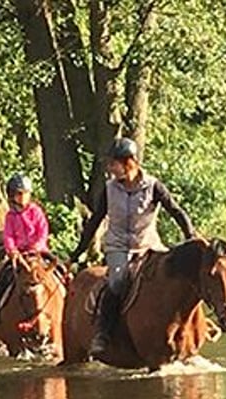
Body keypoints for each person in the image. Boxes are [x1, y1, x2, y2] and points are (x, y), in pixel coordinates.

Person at [69, 137, 197, 357]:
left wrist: (190, 235)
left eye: (113, 163)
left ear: (128, 162)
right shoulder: (109, 189)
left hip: (149, 245)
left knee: (176, 277)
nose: (110, 168)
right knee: (117, 282)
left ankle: (197, 326)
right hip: (119, 247)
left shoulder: (153, 186)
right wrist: (77, 252)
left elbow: (176, 211)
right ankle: (103, 333)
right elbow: (95, 220)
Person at [0, 173, 53, 318]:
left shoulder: (36, 212)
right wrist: (12, 250)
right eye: (19, 194)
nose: (22, 197)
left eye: (25, 193)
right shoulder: (10, 216)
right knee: (2, 277)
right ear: (12, 196)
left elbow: (43, 231)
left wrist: (37, 246)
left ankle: (67, 303)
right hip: (19, 255)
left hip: (39, 252)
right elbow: (8, 235)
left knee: (61, 270)